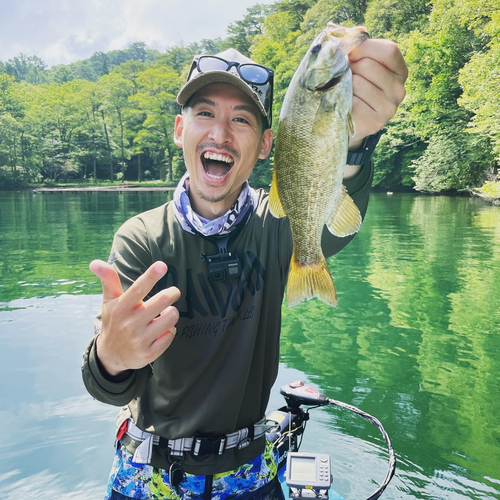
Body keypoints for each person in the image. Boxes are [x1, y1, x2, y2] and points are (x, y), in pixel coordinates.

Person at [82, 38, 407, 500]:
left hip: (251, 474)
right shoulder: (142, 238)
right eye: (205, 114)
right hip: (149, 474)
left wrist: (355, 142)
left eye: (241, 120)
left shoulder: (275, 223)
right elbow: (112, 390)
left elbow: (336, 229)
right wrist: (110, 358)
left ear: (266, 145)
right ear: (180, 129)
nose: (220, 134)